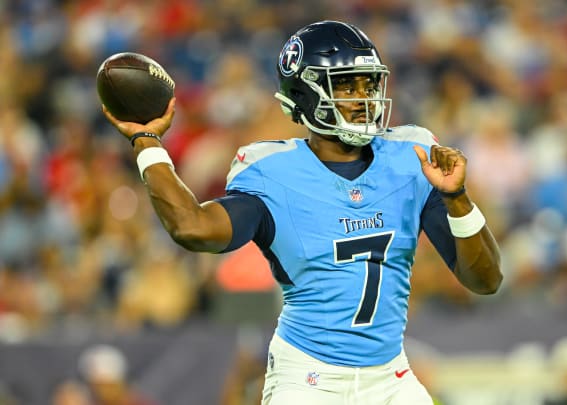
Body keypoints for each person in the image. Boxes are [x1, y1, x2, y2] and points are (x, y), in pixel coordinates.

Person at [102, 20, 502, 405]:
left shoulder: (410, 157)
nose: (365, 99)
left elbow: (485, 281)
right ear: (306, 95)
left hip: (390, 377)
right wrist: (147, 141)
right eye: (347, 86)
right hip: (309, 380)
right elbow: (192, 228)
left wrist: (458, 199)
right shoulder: (273, 173)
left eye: (369, 83)